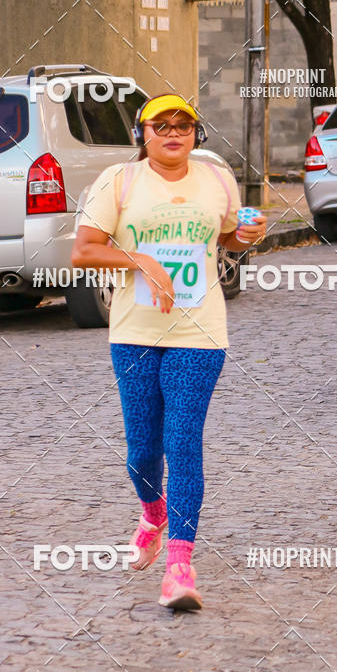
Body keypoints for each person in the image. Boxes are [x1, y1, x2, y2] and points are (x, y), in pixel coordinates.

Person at [71, 93, 266, 611]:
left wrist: (249, 235)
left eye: (184, 124)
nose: (173, 131)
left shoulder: (217, 179)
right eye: (161, 124)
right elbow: (83, 248)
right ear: (143, 134)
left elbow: (228, 238)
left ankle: (179, 565)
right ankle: (152, 512)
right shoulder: (121, 180)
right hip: (133, 331)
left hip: (199, 331)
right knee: (141, 452)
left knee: (182, 441)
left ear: (196, 133)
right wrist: (141, 262)